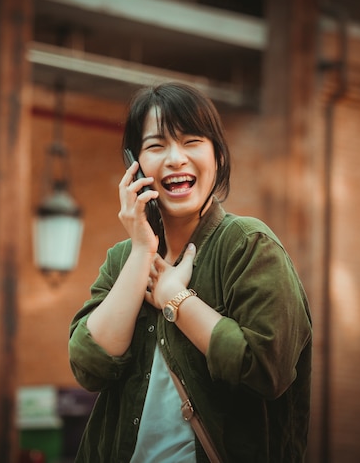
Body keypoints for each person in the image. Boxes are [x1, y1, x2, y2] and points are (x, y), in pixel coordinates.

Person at [68, 82, 312, 462]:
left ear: (217, 155)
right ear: (134, 165)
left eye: (192, 141)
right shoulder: (122, 259)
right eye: (156, 145)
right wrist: (141, 251)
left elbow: (267, 369)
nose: (175, 158)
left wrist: (174, 299)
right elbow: (89, 365)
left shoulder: (248, 246)